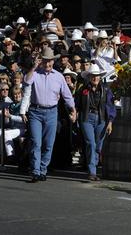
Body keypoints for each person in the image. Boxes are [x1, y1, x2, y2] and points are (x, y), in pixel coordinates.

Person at [24, 47, 76, 182]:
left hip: (52, 112)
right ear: (42, 61)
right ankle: (35, 171)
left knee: (48, 143)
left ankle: (43, 169)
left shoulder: (58, 76)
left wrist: (73, 109)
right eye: (45, 61)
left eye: (50, 61)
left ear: (53, 61)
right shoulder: (36, 73)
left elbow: (67, 95)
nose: (48, 64)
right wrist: (34, 66)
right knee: (36, 142)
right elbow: (26, 81)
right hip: (36, 111)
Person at [75, 64, 116, 181]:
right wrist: (74, 113)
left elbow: (110, 107)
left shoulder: (106, 89)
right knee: (90, 143)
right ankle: (92, 171)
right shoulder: (83, 90)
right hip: (87, 118)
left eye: (97, 76)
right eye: (93, 75)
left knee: (98, 146)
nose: (95, 78)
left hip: (101, 119)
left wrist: (110, 122)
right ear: (89, 76)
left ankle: (94, 167)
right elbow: (76, 104)